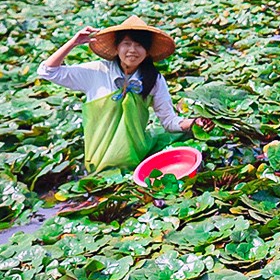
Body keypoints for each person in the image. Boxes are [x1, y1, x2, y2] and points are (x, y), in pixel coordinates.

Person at [37, 17, 209, 172]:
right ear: (117, 47)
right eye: (126, 43)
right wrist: (73, 43)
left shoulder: (153, 79)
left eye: (139, 45)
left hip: (137, 158)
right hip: (98, 162)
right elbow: (47, 71)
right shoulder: (97, 71)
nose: (132, 50)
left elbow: (169, 122)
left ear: (147, 51)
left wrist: (195, 122)